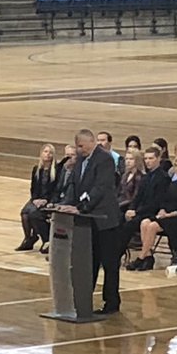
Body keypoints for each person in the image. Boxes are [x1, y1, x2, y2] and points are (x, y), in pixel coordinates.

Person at [64, 128, 122, 316]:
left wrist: (82, 207)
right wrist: (67, 205)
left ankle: (111, 302)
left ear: (91, 142)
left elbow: (101, 188)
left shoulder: (104, 159)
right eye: (78, 147)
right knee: (90, 262)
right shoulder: (81, 160)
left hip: (105, 219)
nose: (79, 150)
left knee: (109, 263)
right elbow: (74, 184)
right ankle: (84, 299)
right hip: (87, 222)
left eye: (81, 146)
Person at [17, 143, 57, 252]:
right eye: (46, 152)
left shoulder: (56, 170)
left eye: (50, 153)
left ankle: (45, 239)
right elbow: (33, 187)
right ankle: (29, 238)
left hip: (48, 199)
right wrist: (35, 199)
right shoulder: (37, 169)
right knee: (25, 213)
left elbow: (55, 189)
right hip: (37, 198)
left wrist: (46, 200)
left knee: (34, 214)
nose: (48, 154)